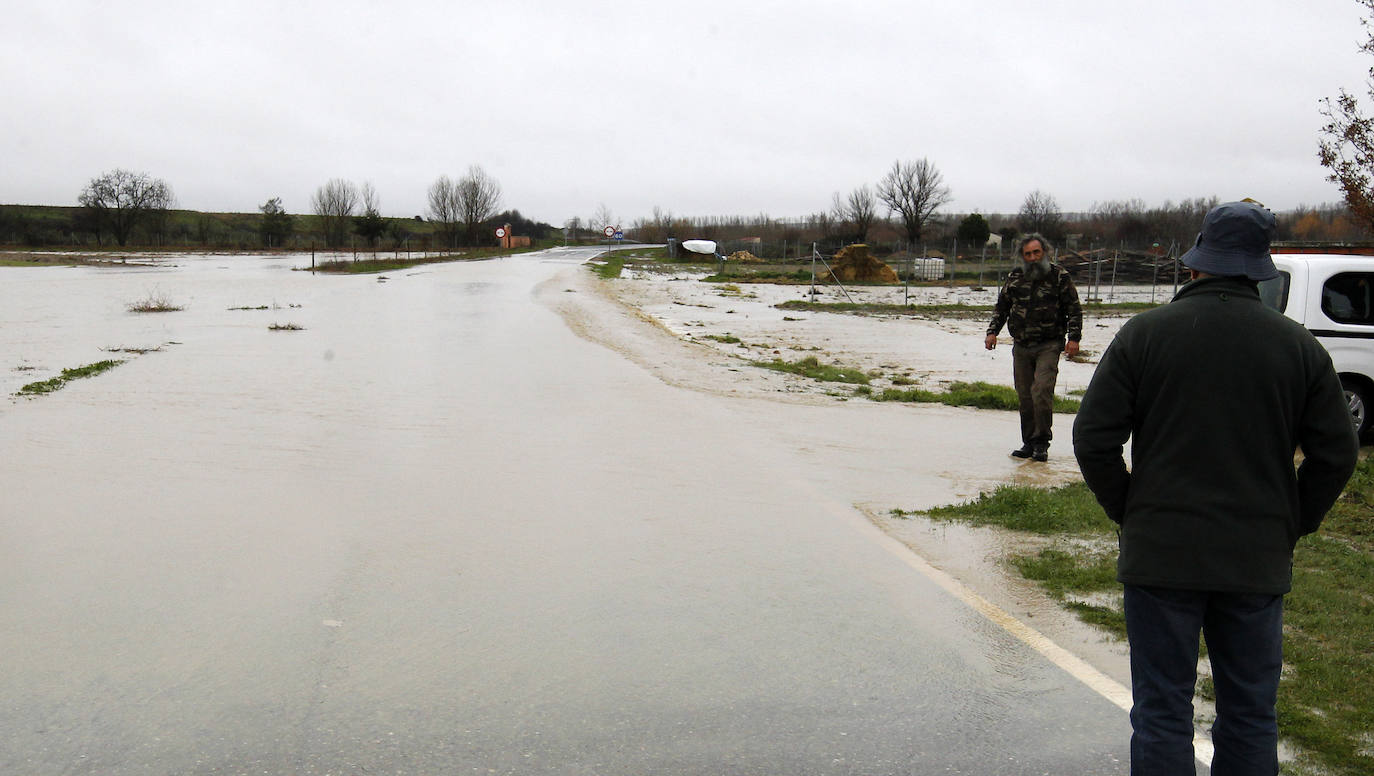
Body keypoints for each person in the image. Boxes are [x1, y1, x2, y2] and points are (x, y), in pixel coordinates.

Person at [1072, 201, 1359, 775]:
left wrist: (1130, 508)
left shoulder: (1144, 335)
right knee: (1251, 711)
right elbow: (1338, 453)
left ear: (1197, 261)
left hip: (1161, 554)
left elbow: (1093, 438)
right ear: (1259, 268)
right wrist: (1294, 519)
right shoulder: (1299, 347)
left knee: (1161, 711)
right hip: (1254, 557)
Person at [984, 234, 1083, 461]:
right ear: (1023, 256)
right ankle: (1028, 442)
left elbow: (1074, 309)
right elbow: (1002, 307)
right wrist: (992, 332)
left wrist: (1074, 338)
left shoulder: (1059, 276)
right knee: (1025, 396)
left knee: (1041, 392)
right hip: (1021, 345)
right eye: (1028, 254)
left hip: (1049, 344)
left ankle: (1041, 443)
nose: (1032, 258)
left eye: (1036, 253)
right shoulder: (1015, 277)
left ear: (1044, 252)